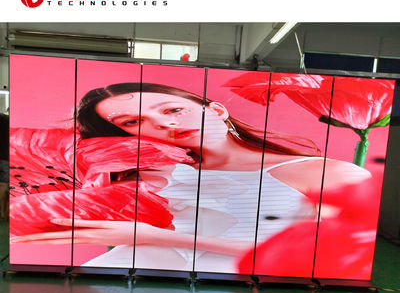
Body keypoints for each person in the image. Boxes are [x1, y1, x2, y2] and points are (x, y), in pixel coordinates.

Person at [12, 83, 370, 273]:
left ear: (217, 110)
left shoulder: (328, 172)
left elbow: (326, 257)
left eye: (173, 109)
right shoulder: (153, 176)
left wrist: (149, 236)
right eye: (133, 122)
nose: (164, 123)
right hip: (127, 285)